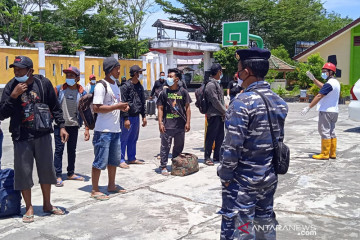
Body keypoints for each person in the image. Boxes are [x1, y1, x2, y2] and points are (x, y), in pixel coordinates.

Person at [217, 48, 288, 240]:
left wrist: (224, 174)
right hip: (268, 177)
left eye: (239, 70)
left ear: (246, 71)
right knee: (265, 224)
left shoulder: (241, 102)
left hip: (243, 182)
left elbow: (232, 147)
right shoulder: (280, 101)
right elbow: (278, 141)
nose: (238, 74)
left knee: (241, 228)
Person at [0, 56, 69, 222]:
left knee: (46, 170)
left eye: (20, 69)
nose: (17, 72)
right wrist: (13, 96)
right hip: (21, 136)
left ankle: (47, 204)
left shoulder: (43, 84)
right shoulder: (10, 86)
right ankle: (29, 207)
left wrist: (62, 126)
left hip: (43, 134)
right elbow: (2, 113)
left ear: (30, 70)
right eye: (15, 69)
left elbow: (55, 106)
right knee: (23, 173)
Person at [90, 57, 129, 201]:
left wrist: (122, 106)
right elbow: (97, 108)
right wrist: (117, 106)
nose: (119, 71)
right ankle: (95, 189)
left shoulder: (116, 86)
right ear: (110, 69)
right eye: (117, 68)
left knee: (113, 160)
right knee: (100, 161)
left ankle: (111, 185)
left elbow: (115, 104)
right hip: (103, 131)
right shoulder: (101, 86)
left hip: (115, 130)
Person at [53, 66, 87, 187]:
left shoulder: (82, 92)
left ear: (77, 78)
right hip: (60, 125)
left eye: (72, 76)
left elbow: (85, 111)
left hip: (73, 125)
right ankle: (57, 175)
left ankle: (70, 173)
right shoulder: (59, 89)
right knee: (58, 150)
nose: (69, 78)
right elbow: (52, 106)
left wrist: (87, 128)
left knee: (72, 150)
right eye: (67, 76)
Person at [301, 63, 340, 160]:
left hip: (326, 111)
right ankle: (332, 153)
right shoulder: (335, 82)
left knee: (324, 131)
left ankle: (325, 154)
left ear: (331, 72)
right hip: (334, 112)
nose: (323, 73)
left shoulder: (330, 83)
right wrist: (313, 79)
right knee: (331, 132)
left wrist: (309, 107)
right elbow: (323, 87)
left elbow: (319, 95)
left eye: (324, 72)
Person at [157, 68, 192, 176]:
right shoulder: (164, 93)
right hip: (167, 125)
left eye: (171, 76)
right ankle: (163, 166)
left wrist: (188, 122)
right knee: (165, 147)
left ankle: (175, 164)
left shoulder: (183, 92)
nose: (168, 78)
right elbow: (160, 108)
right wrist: (160, 123)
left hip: (180, 125)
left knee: (179, 146)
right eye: (168, 76)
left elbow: (187, 108)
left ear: (177, 79)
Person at [119, 65, 147, 169]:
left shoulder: (139, 86)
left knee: (133, 138)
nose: (140, 75)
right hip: (128, 116)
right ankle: (121, 159)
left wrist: (144, 116)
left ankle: (131, 157)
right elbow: (123, 103)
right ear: (135, 74)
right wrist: (125, 118)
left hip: (136, 116)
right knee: (123, 138)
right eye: (139, 73)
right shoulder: (125, 86)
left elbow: (142, 101)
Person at [204, 63, 226, 166]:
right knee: (211, 137)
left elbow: (220, 100)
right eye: (221, 71)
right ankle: (207, 157)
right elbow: (215, 101)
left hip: (220, 115)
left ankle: (217, 155)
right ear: (218, 72)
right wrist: (225, 111)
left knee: (220, 137)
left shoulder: (217, 84)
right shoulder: (211, 85)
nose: (222, 73)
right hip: (213, 114)